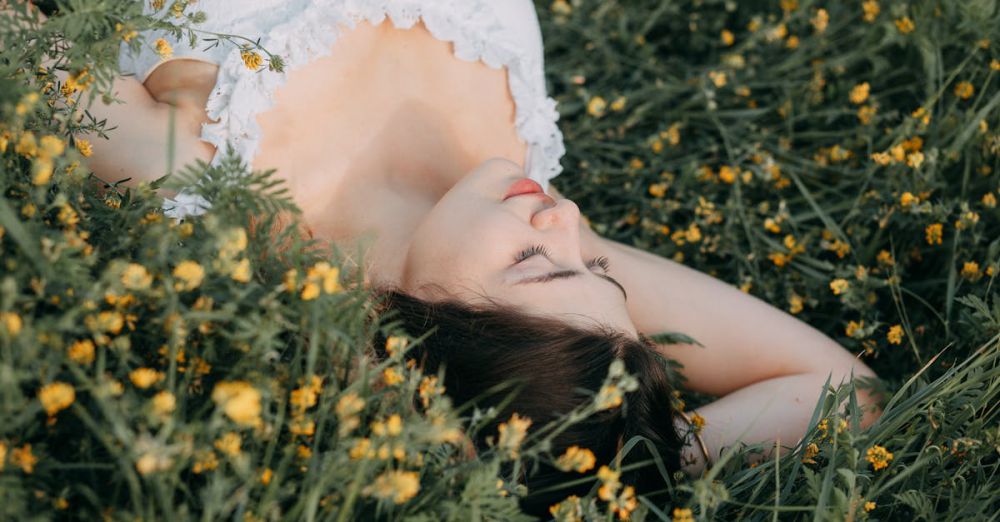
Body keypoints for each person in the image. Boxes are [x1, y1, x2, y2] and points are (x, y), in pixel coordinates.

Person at [24, 0, 882, 513]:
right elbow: (847, 394)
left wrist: (535, 469)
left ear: (408, 343)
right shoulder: (518, 208)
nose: (569, 223)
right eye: (599, 270)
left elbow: (15, 45)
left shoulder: (202, 177)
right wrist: (629, 457)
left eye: (539, 268)